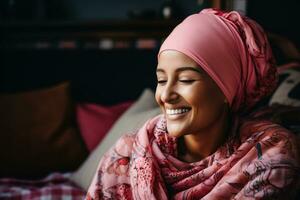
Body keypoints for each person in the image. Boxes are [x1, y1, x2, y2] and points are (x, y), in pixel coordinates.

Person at [85, 8, 299, 199]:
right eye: (161, 80)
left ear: (226, 89)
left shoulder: (271, 156)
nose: (166, 94)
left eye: (186, 80)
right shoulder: (129, 151)